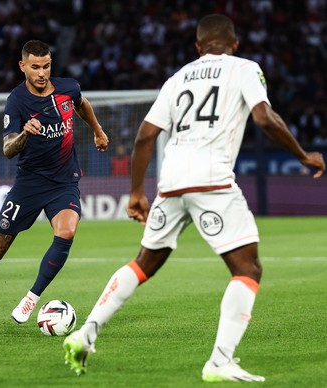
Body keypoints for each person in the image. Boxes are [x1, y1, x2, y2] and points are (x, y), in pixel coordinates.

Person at [63, 14, 325, 382]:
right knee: (248, 269)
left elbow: (144, 136)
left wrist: (137, 192)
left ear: (198, 47)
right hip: (212, 181)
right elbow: (264, 118)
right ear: (234, 44)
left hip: (171, 180)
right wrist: (302, 155)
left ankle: (85, 333)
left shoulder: (177, 78)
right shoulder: (244, 67)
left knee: (143, 264)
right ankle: (220, 361)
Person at [0, 40, 109, 333]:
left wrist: (97, 131)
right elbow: (8, 148)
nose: (42, 73)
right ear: (23, 66)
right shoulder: (17, 100)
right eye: (35, 67)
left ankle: (32, 299)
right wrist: (24, 134)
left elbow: (82, 104)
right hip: (29, 183)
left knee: (67, 230)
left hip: (63, 180)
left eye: (46, 66)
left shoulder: (68, 88)